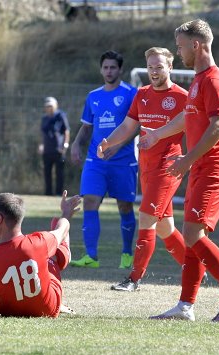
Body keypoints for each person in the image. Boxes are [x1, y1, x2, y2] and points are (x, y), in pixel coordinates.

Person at [140, 19, 219, 321]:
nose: (179, 51)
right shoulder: (199, 80)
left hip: (216, 168)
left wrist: (187, 159)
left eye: (180, 46)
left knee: (191, 232)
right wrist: (158, 134)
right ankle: (185, 306)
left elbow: (218, 126)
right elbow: (186, 119)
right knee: (191, 235)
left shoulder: (214, 81)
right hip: (201, 167)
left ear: (196, 45)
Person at [96, 47, 188, 292]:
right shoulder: (142, 94)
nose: (154, 72)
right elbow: (128, 126)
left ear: (170, 67)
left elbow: (196, 128)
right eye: (150, 67)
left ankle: (134, 279)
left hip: (168, 167)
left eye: (159, 67)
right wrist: (108, 142)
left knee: (146, 217)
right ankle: (194, 267)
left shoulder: (182, 97)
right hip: (146, 167)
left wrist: (189, 158)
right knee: (165, 227)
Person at [70, 50, 138, 270]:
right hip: (96, 159)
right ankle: (91, 256)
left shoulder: (131, 93)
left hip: (123, 160)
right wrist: (75, 144)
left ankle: (127, 254)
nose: (109, 71)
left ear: (120, 70)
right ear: (101, 70)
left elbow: (137, 126)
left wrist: (117, 145)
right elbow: (87, 126)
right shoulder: (93, 96)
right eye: (106, 67)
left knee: (124, 206)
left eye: (113, 67)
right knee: (90, 201)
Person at [39, 96, 70, 196]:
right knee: (47, 173)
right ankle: (48, 193)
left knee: (59, 173)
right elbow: (42, 133)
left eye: (51, 106)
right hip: (47, 150)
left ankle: (58, 193)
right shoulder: (44, 118)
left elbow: (66, 131)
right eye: (47, 106)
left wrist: (65, 145)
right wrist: (41, 145)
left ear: (56, 106)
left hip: (58, 150)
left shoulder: (61, 116)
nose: (49, 108)